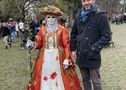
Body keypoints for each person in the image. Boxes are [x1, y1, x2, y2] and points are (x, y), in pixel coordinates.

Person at [27, 5, 82, 90]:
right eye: (49, 17)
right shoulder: (42, 30)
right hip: (45, 57)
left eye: (53, 17)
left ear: (57, 18)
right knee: (45, 73)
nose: (51, 19)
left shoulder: (62, 29)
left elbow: (66, 44)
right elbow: (39, 43)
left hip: (59, 57)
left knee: (59, 74)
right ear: (46, 18)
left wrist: (67, 58)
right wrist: (32, 44)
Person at [70, 0, 112, 90]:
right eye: (83, 1)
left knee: (96, 82)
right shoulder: (78, 16)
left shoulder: (101, 16)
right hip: (81, 55)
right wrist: (73, 50)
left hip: (93, 55)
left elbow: (107, 36)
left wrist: (94, 48)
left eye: (88, 0)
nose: (86, 3)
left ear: (93, 0)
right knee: (85, 80)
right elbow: (73, 34)